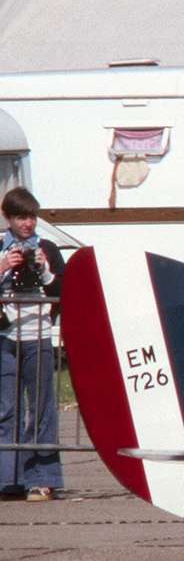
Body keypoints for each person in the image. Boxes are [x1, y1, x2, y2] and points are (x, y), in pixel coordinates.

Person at [0, 188, 64, 501]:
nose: (28, 223)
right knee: (6, 409)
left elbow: (62, 288)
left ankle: (42, 478)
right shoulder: (0, 247)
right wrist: (2, 266)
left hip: (38, 333)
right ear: (7, 218)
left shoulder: (47, 247)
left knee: (41, 409)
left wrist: (43, 269)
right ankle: (7, 479)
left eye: (32, 216)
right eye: (21, 217)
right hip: (5, 336)